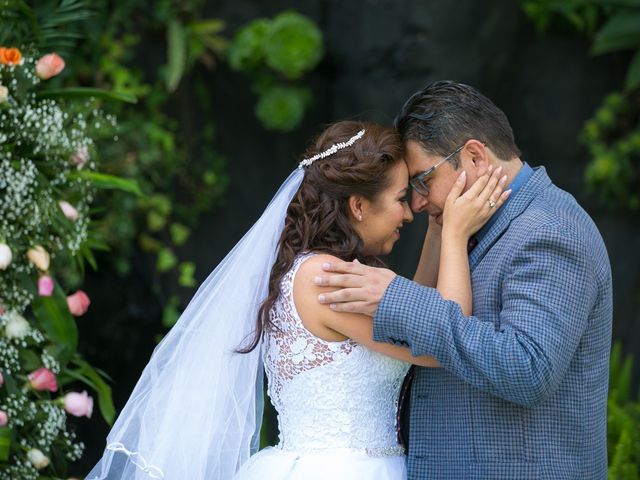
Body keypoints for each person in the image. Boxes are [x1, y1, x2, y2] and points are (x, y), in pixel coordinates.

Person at [87, 120, 507, 480]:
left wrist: (437, 229)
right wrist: (454, 234)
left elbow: (416, 312)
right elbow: (441, 337)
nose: (409, 212)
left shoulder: (324, 271)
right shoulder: (325, 280)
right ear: (359, 205)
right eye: (401, 199)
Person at [316, 81, 613, 479]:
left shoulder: (550, 231)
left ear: (473, 156)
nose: (417, 204)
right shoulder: (474, 226)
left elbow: (527, 369)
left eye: (423, 181)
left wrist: (397, 298)